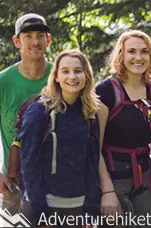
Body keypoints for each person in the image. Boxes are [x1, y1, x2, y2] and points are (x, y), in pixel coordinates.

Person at [19, 50, 104, 227]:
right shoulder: (39, 111)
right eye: (65, 71)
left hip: (78, 206)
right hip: (43, 206)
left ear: (87, 76)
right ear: (56, 77)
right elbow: (29, 163)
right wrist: (40, 213)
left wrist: (91, 210)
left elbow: (92, 161)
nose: (72, 76)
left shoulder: (90, 113)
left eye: (78, 71)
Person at [95, 30, 151, 227]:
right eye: (132, 51)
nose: (138, 57)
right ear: (121, 55)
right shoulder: (105, 92)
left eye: (144, 52)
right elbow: (94, 147)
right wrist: (107, 191)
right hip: (114, 181)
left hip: (145, 182)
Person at [0, 13, 52, 215]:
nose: (35, 41)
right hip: (16, 183)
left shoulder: (63, 77)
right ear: (16, 41)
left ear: (48, 40)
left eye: (40, 35)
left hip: (58, 181)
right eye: (27, 36)